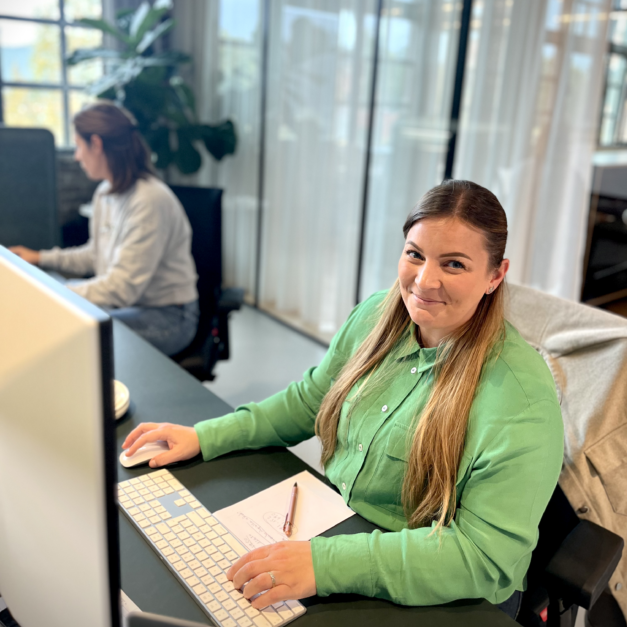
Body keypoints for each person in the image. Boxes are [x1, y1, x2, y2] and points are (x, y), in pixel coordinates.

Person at [122, 180, 564, 619]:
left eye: (453, 264)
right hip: (343, 527)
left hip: (455, 594)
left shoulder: (521, 399)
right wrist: (207, 435)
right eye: (415, 254)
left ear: (495, 275)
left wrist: (324, 563)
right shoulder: (377, 315)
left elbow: (481, 558)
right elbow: (311, 399)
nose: (425, 281)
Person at [10, 101, 199, 357]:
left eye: (78, 146)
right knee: (67, 317)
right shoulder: (106, 192)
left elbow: (122, 288)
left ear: (96, 144)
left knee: (73, 333)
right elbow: (95, 254)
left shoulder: (149, 200)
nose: (76, 156)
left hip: (169, 317)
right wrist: (41, 257)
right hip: (131, 306)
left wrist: (53, 295)